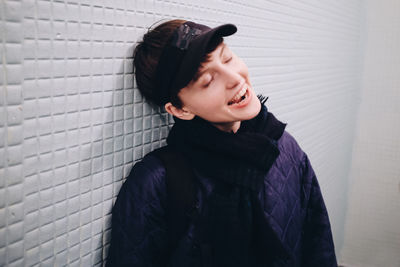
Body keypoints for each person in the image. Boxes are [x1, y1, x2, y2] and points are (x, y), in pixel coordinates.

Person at [106, 19, 337, 267]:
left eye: (227, 58)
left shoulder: (283, 148)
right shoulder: (156, 183)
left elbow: (317, 244)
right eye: (207, 80)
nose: (235, 78)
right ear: (180, 110)